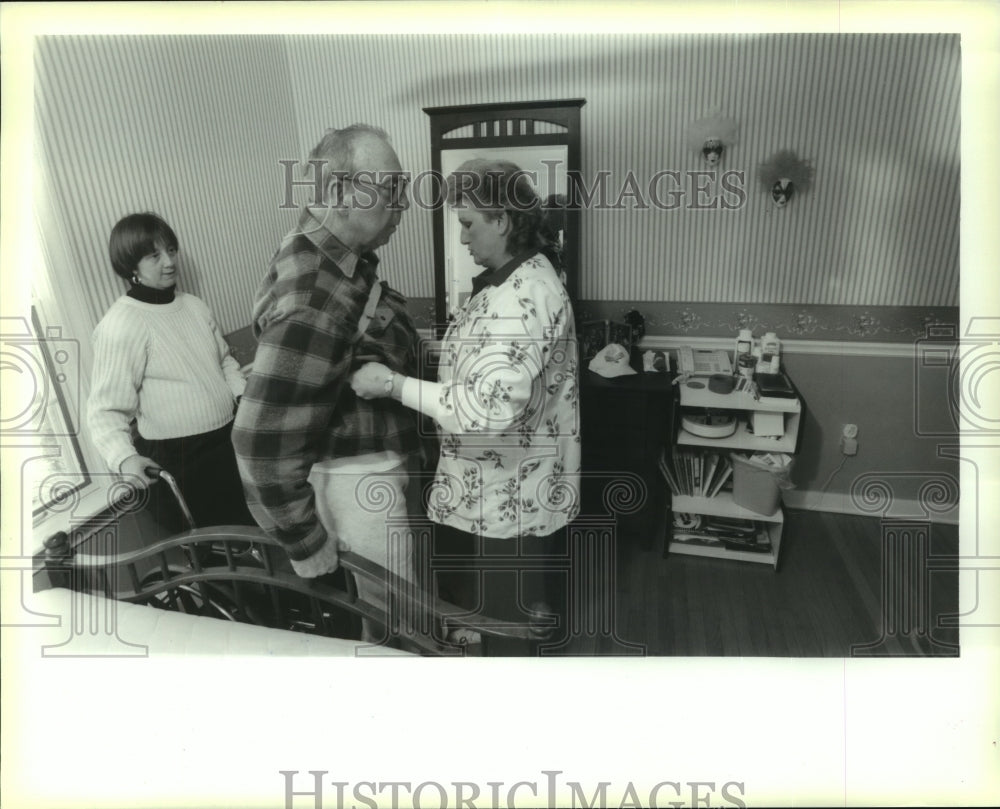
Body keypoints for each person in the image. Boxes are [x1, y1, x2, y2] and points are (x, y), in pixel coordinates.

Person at [351, 158, 581, 654]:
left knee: (510, 627)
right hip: (500, 487)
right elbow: (489, 364)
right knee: (501, 607)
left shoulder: (527, 295)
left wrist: (392, 384)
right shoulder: (509, 280)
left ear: (503, 219)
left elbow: (487, 408)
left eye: (468, 224)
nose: (462, 238)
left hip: (511, 494)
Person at [231, 124, 421, 639]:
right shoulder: (316, 289)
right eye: (390, 192)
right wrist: (307, 544)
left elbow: (337, 353)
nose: (402, 207)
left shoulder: (335, 259)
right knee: (394, 629)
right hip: (357, 488)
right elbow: (257, 443)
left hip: (362, 476)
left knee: (391, 618)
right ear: (339, 192)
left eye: (404, 191)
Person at [87, 213, 253, 532]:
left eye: (172, 251)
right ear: (130, 266)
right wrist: (124, 458)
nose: (169, 262)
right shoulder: (121, 324)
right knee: (217, 552)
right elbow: (104, 410)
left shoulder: (194, 305)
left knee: (249, 534)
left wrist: (241, 395)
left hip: (228, 439)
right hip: (180, 458)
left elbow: (224, 361)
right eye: (154, 255)